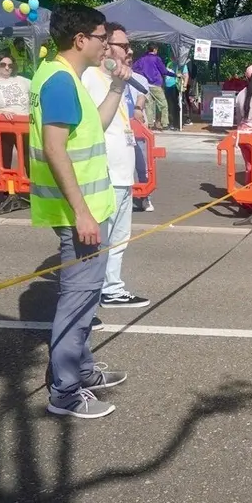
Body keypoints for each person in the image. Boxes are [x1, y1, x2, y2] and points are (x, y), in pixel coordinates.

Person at [30, 3, 131, 419]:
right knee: (77, 302)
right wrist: (82, 212)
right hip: (80, 213)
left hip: (88, 208)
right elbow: (55, 149)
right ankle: (66, 393)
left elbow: (93, 128)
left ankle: (83, 370)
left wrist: (118, 87)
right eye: (102, 37)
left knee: (85, 298)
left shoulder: (65, 76)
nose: (107, 45)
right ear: (80, 39)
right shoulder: (60, 81)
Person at [81, 22, 149, 310]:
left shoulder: (116, 78)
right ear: (106, 46)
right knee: (101, 240)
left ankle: (112, 288)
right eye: (124, 46)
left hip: (123, 173)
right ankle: (90, 296)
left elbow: (143, 89)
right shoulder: (90, 78)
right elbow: (93, 124)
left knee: (120, 237)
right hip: (105, 173)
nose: (129, 51)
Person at [123, 48, 154, 212]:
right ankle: (125, 196)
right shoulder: (110, 78)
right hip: (120, 129)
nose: (128, 58)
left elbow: (142, 96)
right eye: (126, 55)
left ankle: (145, 196)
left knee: (142, 164)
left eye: (130, 56)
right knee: (124, 164)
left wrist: (137, 108)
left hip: (137, 128)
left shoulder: (139, 78)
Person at [132, 44, 175, 130]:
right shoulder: (156, 59)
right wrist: (175, 75)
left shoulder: (142, 59)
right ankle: (165, 124)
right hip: (155, 84)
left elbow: (134, 68)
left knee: (149, 105)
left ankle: (150, 124)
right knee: (163, 105)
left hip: (146, 85)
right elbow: (164, 71)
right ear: (155, 50)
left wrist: (142, 75)